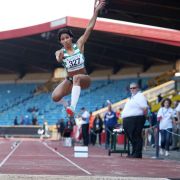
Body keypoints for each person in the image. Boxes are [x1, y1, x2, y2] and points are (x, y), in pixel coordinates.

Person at [52, 0, 106, 117]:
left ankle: (72, 107)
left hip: (84, 79)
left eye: (67, 37)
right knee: (55, 97)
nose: (65, 40)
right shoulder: (60, 51)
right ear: (60, 42)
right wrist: (59, 57)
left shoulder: (79, 45)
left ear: (71, 38)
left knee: (76, 77)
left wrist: (96, 12)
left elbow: (89, 28)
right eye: (62, 39)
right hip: (70, 81)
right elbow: (58, 57)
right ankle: (67, 105)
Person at [121, 82, 148, 158]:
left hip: (136, 119)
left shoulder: (140, 96)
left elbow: (145, 108)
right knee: (130, 136)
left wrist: (144, 118)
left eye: (134, 88)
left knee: (136, 136)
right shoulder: (131, 98)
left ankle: (137, 153)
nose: (132, 89)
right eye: (131, 88)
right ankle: (134, 152)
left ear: (138, 88)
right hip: (129, 119)